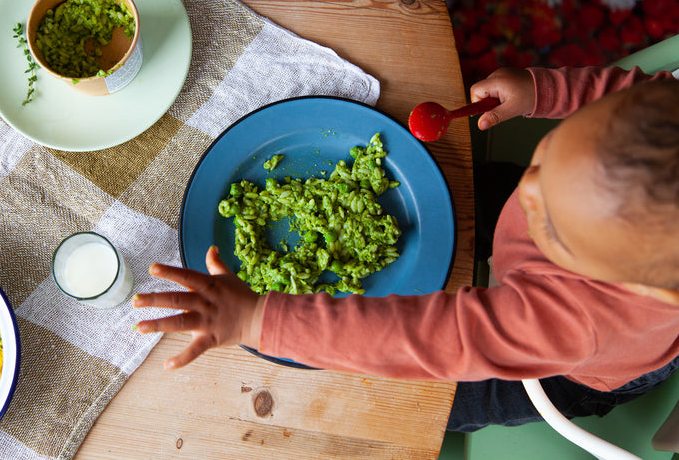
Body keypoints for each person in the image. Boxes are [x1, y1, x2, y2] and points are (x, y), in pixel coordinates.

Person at [132, 65, 679, 431]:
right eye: (548, 156)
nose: (529, 188)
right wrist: (548, 94)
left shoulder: (579, 319)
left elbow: (432, 336)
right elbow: (638, 97)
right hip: (550, 250)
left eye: (555, 219)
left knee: (432, 403)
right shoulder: (647, 140)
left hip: (571, 369)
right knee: (494, 196)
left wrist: (258, 320)